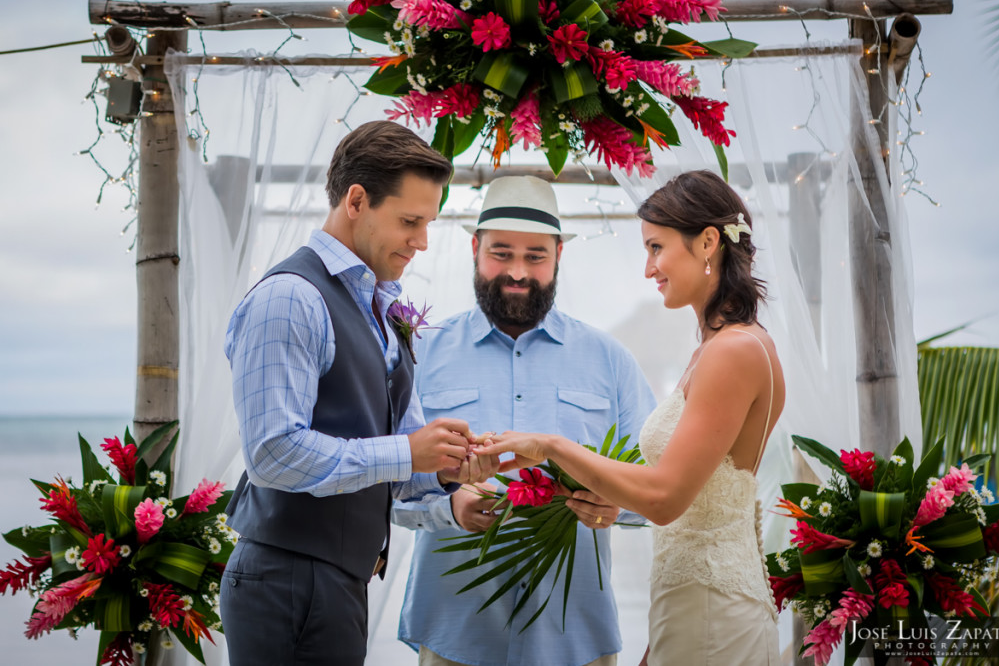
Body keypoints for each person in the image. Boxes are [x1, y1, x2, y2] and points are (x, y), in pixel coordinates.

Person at [478, 170, 785, 665]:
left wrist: (552, 446)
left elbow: (664, 499)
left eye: (657, 248)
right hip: (693, 603)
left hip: (713, 613)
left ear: (708, 242)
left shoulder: (734, 352)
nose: (649, 269)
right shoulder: (719, 347)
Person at [219, 121, 497, 666]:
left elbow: (391, 455)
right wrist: (408, 451)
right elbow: (273, 453)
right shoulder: (291, 298)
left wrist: (447, 475)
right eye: (410, 222)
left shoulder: (382, 306)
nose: (421, 242)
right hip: (285, 581)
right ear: (356, 200)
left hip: (337, 583)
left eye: (428, 223)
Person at [392, 175, 657, 666]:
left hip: (574, 633)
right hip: (454, 630)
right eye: (502, 252)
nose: (517, 271)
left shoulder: (609, 360)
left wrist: (616, 505)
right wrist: (449, 509)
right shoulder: (421, 353)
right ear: (475, 248)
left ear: (559, 255)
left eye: (535, 255)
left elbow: (658, 483)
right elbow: (383, 484)